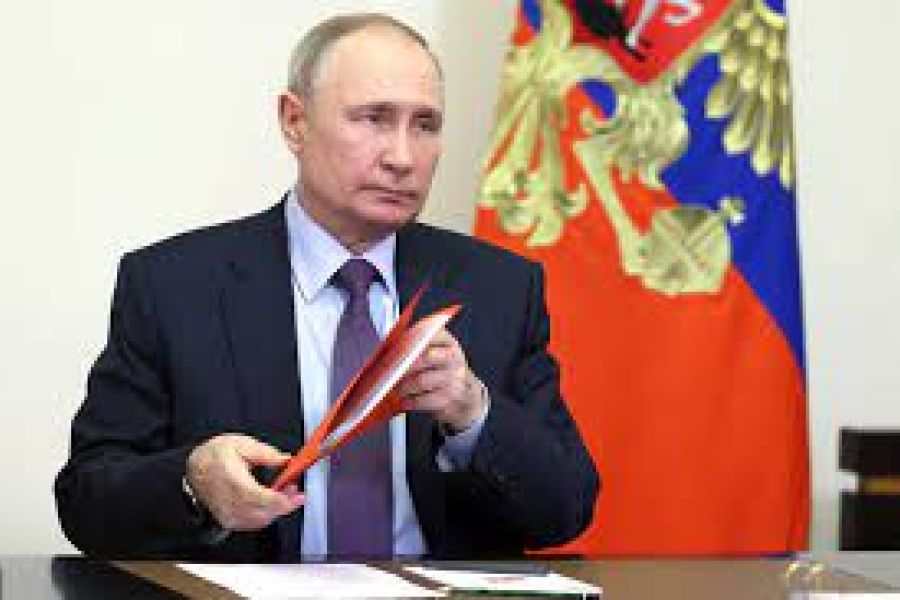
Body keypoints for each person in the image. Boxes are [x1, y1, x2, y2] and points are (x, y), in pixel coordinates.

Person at [55, 13, 599, 562]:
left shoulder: (499, 286)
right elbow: (86, 500)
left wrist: (472, 413)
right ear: (294, 122)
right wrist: (192, 483)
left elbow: (566, 510)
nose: (402, 157)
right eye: (373, 118)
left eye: (425, 125)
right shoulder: (174, 285)